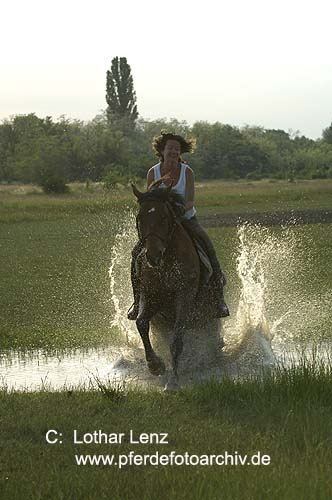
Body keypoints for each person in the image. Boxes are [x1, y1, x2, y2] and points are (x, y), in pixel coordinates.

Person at [127, 131, 230, 319]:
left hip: (186, 219)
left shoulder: (187, 172)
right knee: (135, 255)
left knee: (208, 249)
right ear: (162, 151)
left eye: (177, 148)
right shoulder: (153, 172)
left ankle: (219, 300)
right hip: (161, 224)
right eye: (170, 148)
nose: (174, 151)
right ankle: (136, 303)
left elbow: (190, 201)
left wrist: (179, 211)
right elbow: (150, 200)